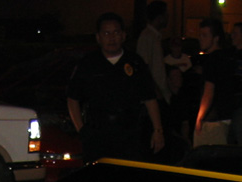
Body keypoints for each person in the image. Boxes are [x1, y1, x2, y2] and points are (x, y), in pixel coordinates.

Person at [67, 12, 165, 162]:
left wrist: (157, 130)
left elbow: (150, 98)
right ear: (98, 37)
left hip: (130, 133)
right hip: (98, 133)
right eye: (106, 33)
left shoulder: (135, 62)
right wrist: (82, 131)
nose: (112, 38)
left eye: (116, 32)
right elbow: (72, 99)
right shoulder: (88, 64)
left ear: (124, 35)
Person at [193, 18, 235, 147]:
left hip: (212, 120)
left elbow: (209, 90)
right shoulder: (225, 57)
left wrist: (200, 117)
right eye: (200, 35)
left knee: (203, 160)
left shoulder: (212, 60)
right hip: (223, 117)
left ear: (216, 38)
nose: (201, 38)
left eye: (205, 35)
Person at [136, 1, 169, 103]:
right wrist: (156, 91)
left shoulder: (155, 37)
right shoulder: (147, 37)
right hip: (154, 96)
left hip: (159, 93)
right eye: (166, 15)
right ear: (159, 18)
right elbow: (144, 67)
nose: (168, 18)